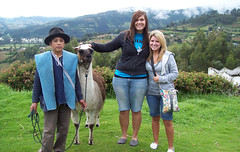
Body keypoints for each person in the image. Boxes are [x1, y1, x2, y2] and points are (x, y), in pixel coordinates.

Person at [88, 10, 149, 147]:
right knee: (123, 109)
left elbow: (158, 52)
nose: (139, 22)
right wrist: (93, 45)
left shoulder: (149, 38)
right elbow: (108, 47)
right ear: (133, 22)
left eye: (142, 20)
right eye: (136, 20)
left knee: (136, 109)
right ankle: (123, 135)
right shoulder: (124, 36)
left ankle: (134, 136)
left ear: (146, 22)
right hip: (121, 78)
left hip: (140, 79)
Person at [30, 27, 87, 152]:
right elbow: (37, 82)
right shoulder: (42, 59)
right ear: (50, 43)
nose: (59, 43)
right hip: (49, 100)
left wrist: (80, 98)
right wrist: (35, 101)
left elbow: (75, 80)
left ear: (64, 43)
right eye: (55, 40)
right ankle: (46, 150)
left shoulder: (72, 59)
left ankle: (59, 150)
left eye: (61, 40)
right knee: (49, 130)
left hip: (66, 100)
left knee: (63, 129)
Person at [145, 30, 178, 152]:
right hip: (151, 93)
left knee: (167, 120)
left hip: (166, 93)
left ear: (161, 42)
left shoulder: (168, 56)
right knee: (154, 117)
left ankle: (170, 147)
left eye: (157, 41)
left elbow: (175, 73)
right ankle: (155, 141)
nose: (154, 43)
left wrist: (161, 79)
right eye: (152, 41)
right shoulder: (147, 56)